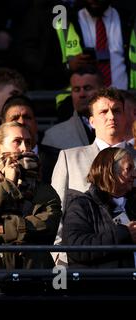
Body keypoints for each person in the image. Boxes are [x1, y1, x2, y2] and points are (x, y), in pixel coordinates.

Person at [51, 87, 136, 265]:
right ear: (91, 121)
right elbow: (57, 211)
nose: (111, 116)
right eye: (103, 111)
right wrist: (61, 258)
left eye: (116, 110)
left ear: (126, 117)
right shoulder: (69, 158)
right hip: (85, 264)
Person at [0, 122, 61, 269]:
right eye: (17, 141)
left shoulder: (43, 190)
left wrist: (4, 228)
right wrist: (7, 184)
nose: (24, 148)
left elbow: (48, 226)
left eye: (28, 142)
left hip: (33, 273)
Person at [62, 147, 136, 268]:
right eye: (129, 169)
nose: (134, 174)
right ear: (110, 171)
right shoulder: (82, 205)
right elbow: (76, 248)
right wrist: (124, 234)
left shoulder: (133, 202)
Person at [42, 66, 104, 150]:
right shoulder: (54, 136)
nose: (82, 94)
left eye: (87, 88)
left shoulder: (122, 126)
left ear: (103, 90)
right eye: (76, 89)